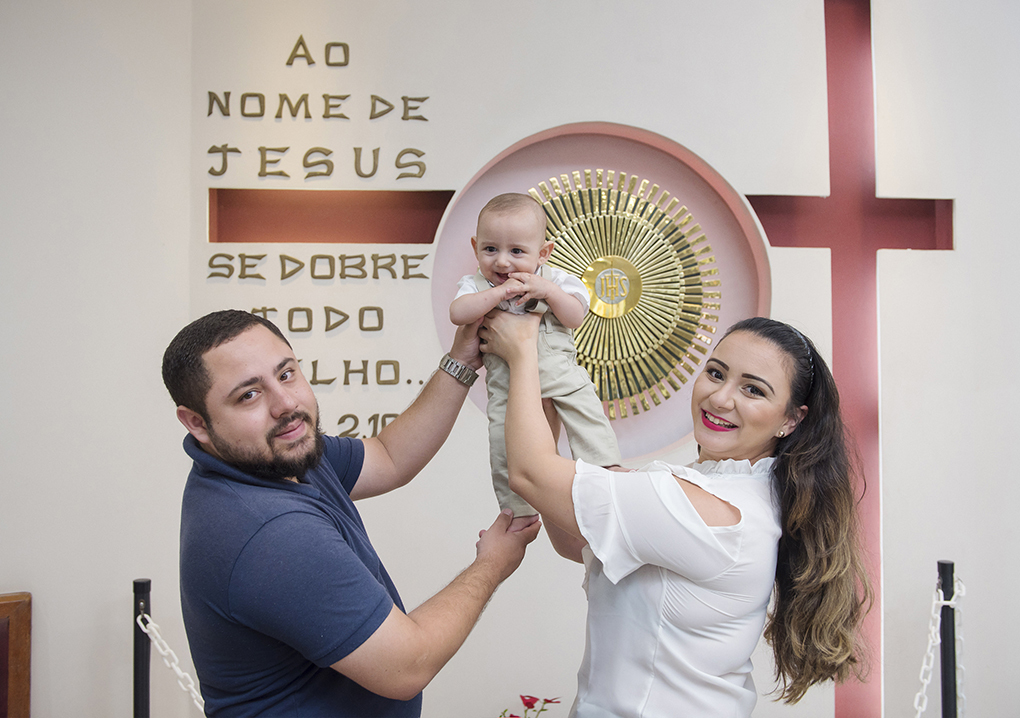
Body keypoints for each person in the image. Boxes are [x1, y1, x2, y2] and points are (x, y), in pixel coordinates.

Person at [480, 312, 871, 717]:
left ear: (791, 419)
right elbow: (574, 537)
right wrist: (542, 397)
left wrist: (523, 352)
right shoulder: (736, 495)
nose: (721, 398)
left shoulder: (705, 508)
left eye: (753, 389)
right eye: (716, 373)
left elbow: (528, 474)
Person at [161, 309, 541, 717]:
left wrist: (461, 361)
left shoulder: (280, 456)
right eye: (248, 395)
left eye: (286, 374)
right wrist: (493, 563)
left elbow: (389, 457)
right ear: (196, 423)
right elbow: (407, 665)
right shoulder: (270, 532)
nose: (286, 404)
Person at [450, 192, 621, 525]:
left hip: (562, 377)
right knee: (503, 442)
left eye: (516, 251)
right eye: (490, 249)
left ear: (543, 253)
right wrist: (497, 294)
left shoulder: (555, 279)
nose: (502, 262)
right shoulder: (476, 285)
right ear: (475, 247)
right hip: (508, 390)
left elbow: (575, 316)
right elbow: (458, 313)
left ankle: (607, 470)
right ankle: (517, 511)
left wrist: (550, 292)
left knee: (587, 416)